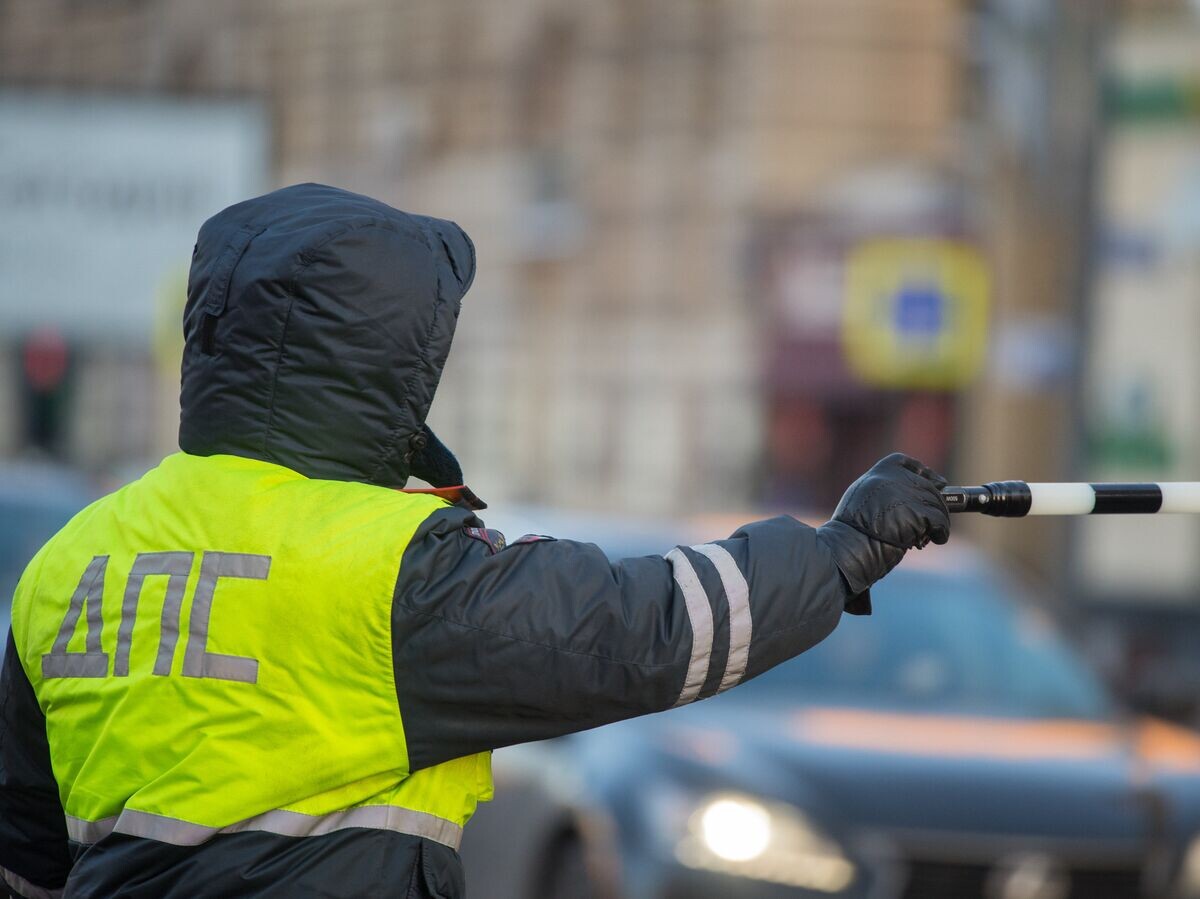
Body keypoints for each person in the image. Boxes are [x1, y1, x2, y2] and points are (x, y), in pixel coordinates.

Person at [0, 183, 950, 898]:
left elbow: (25, 850)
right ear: (387, 364)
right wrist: (837, 554)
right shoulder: (388, 566)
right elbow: (642, 629)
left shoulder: (71, 561)